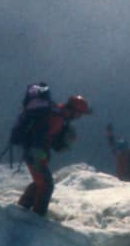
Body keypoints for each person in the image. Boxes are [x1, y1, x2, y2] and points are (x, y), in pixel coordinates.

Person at [13, 82, 92, 216]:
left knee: (40, 183)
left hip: (33, 152)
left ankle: (21, 210)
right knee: (46, 185)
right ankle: (36, 217)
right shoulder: (58, 117)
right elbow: (45, 138)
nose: (78, 118)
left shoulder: (56, 113)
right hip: (36, 153)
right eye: (79, 114)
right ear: (74, 111)